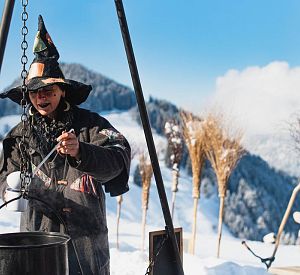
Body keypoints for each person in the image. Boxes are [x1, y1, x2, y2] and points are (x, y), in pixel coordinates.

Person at [0, 15, 131, 275]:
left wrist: (82, 152)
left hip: (86, 247)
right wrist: (11, 185)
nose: (41, 97)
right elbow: (4, 179)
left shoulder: (91, 125)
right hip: (37, 244)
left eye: (48, 91)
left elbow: (119, 158)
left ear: (62, 91)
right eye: (35, 92)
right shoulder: (19, 135)